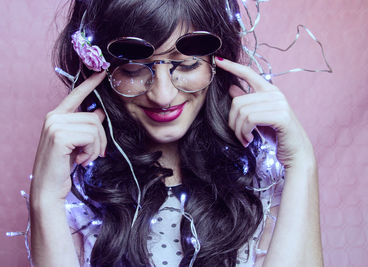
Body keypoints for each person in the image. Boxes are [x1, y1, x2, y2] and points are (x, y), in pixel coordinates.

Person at [29, 0, 323, 266]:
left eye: (187, 64)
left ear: (216, 61)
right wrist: (46, 198)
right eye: (133, 69)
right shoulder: (80, 189)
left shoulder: (261, 179)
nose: (163, 95)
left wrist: (302, 164)